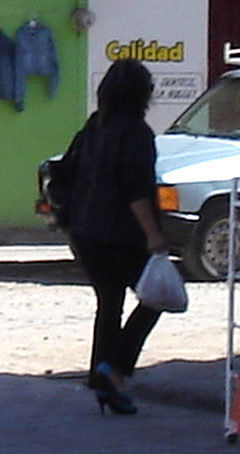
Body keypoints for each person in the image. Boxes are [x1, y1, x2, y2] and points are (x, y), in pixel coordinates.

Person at [54, 59, 167, 415]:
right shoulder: (136, 133)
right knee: (158, 297)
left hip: (86, 232)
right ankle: (115, 368)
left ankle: (102, 378)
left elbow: (66, 175)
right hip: (123, 233)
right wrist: (153, 235)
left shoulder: (94, 127)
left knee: (109, 303)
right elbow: (136, 190)